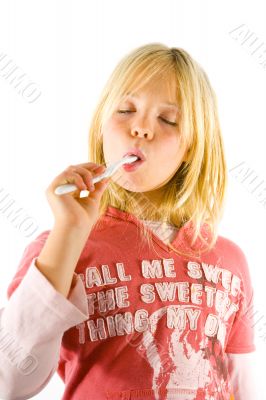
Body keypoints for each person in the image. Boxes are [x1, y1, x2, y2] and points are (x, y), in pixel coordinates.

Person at [0, 43, 257, 400]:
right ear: (102, 127)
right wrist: (69, 233)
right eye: (126, 110)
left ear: (192, 149)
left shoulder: (229, 260)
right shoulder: (60, 247)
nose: (141, 128)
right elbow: (8, 379)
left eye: (168, 119)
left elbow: (242, 386)